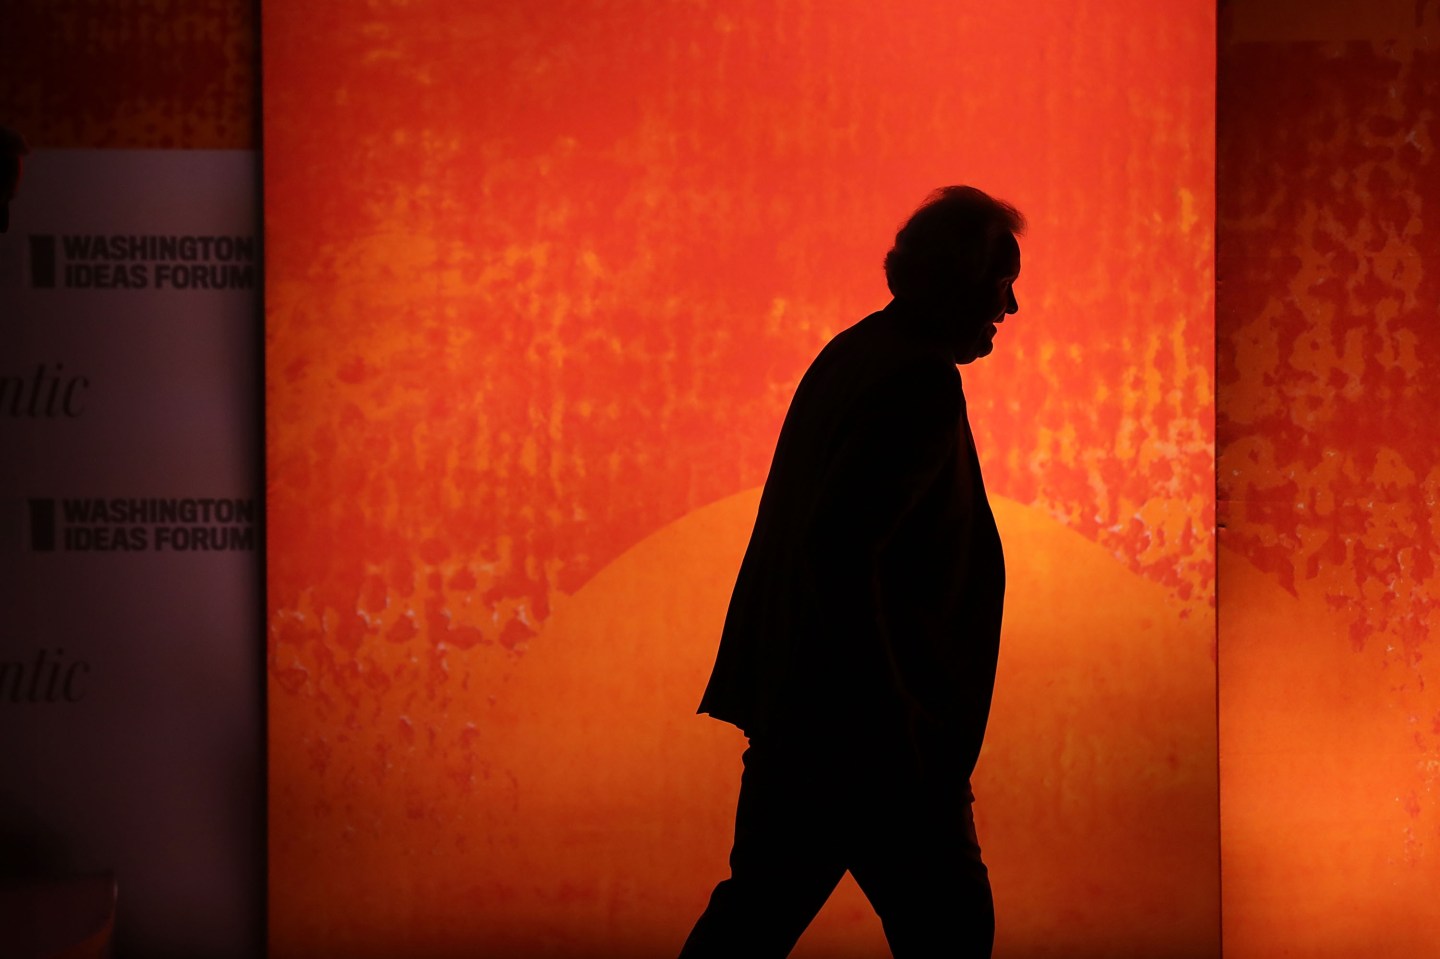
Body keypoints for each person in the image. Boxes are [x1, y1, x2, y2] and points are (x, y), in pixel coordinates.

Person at [679, 186, 1024, 959]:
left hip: (810, 716)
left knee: (754, 914)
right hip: (872, 736)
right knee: (950, 930)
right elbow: (839, 549)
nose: (1009, 307)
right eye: (1001, 283)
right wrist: (897, 715)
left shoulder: (856, 354)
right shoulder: (918, 382)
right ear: (959, 281)